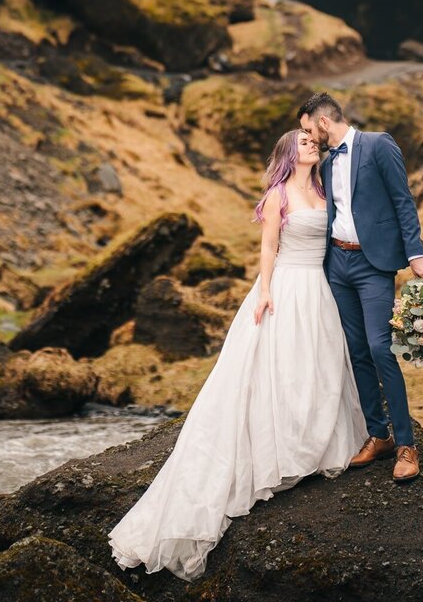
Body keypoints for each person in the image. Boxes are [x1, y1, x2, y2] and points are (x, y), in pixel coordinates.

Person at [108, 129, 366, 582]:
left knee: (318, 366)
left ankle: (313, 438)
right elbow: (268, 247)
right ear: (288, 153)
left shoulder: (324, 189)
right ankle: (279, 447)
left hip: (319, 289)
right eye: (303, 141)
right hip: (287, 285)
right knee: (279, 368)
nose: (311, 144)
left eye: (312, 141)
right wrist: (265, 292)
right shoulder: (278, 195)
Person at [298, 92, 423, 483]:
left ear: (323, 123)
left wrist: (416, 253)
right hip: (336, 264)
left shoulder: (378, 144)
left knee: (379, 347)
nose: (308, 137)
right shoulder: (324, 163)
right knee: (355, 350)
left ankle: (406, 444)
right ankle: (379, 435)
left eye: (309, 129)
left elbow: (402, 200)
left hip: (374, 264)